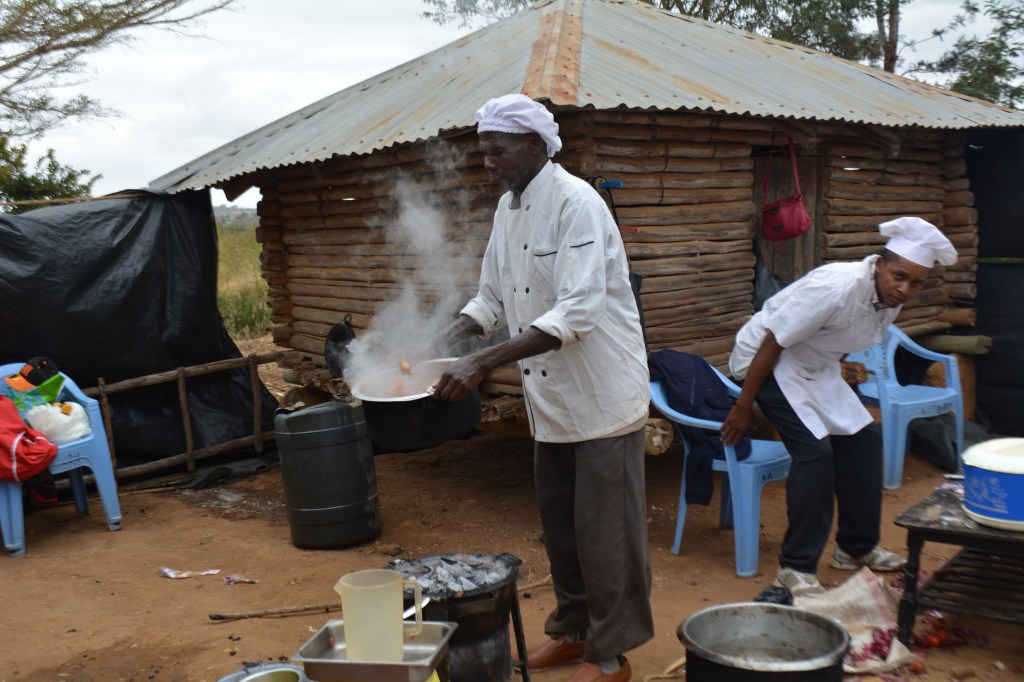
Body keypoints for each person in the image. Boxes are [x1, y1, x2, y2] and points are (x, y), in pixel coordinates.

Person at [432, 93, 653, 682]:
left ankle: (611, 656)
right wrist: (443, 335)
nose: (488, 162)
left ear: (534, 144)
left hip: (602, 396)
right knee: (562, 528)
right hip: (552, 402)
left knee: (606, 535)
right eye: (483, 152)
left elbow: (578, 313)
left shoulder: (578, 202)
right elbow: (491, 298)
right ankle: (574, 634)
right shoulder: (509, 208)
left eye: (496, 150)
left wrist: (482, 362)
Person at [720, 216, 958, 596]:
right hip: (764, 363)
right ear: (879, 265)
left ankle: (855, 547)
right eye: (900, 276)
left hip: (813, 365)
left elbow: (849, 338)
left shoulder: (890, 300)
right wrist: (744, 405)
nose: (905, 288)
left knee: (864, 440)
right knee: (815, 454)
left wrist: (832, 371)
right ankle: (794, 568)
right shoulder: (835, 286)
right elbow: (773, 341)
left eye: (916, 282)